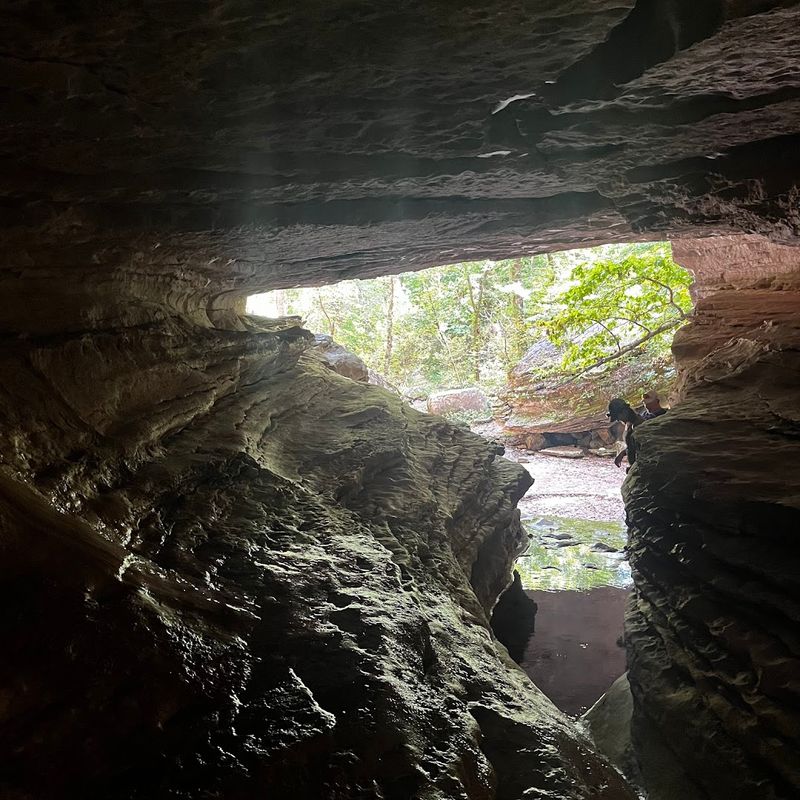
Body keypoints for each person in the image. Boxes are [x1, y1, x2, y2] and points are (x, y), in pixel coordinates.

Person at [607, 397, 643, 469]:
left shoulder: (638, 425)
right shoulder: (629, 424)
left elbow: (642, 450)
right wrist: (622, 453)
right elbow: (632, 446)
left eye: (618, 417)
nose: (618, 420)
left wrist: (635, 467)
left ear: (624, 412)